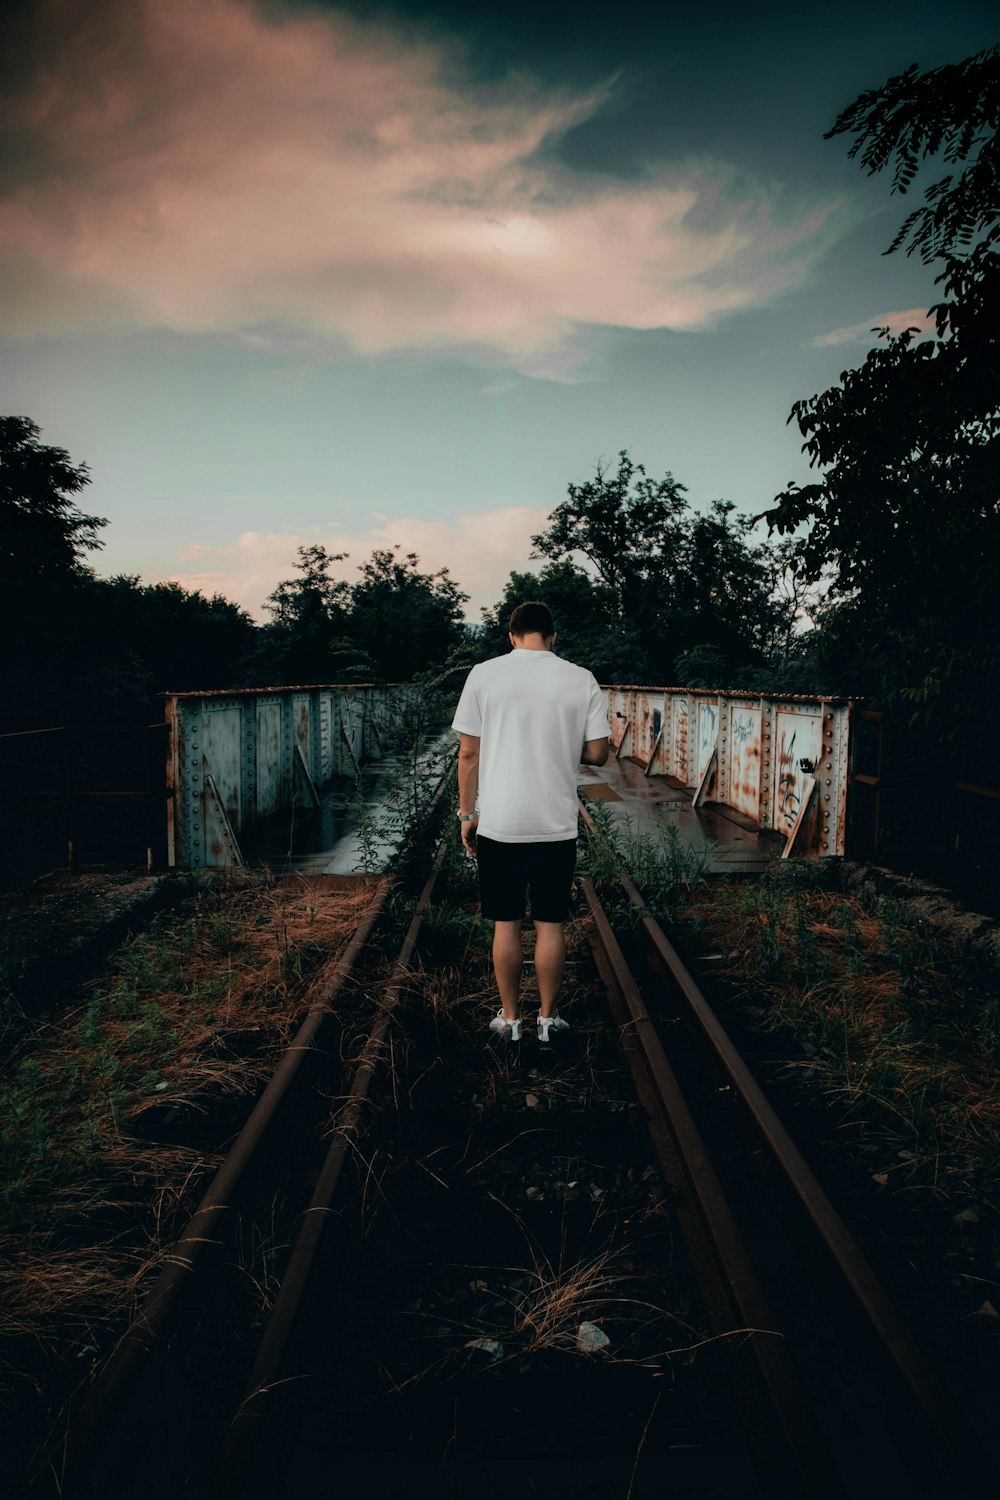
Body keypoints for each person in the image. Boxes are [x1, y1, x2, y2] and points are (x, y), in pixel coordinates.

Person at [451, 600, 610, 1042]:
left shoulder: (484, 674)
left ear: (511, 635)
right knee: (550, 923)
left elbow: (468, 753)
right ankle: (547, 1020)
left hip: (500, 823)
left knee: (506, 922)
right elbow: (598, 753)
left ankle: (510, 1020)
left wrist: (468, 815)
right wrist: (557, 744)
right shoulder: (580, 679)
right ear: (552, 637)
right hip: (555, 824)